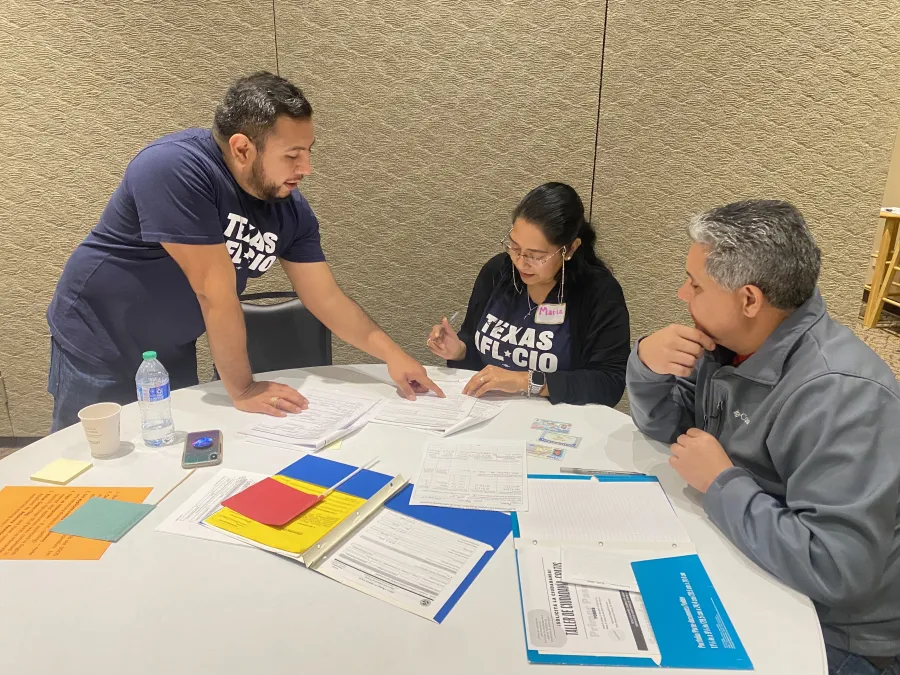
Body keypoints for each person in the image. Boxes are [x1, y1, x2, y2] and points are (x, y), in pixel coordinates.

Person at [47, 71, 442, 432]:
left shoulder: (291, 211)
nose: (306, 168)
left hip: (170, 349)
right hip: (98, 340)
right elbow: (213, 292)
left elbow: (326, 298)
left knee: (168, 448)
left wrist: (393, 356)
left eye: (308, 151)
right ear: (241, 148)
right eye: (292, 155)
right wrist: (243, 388)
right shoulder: (174, 168)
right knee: (91, 456)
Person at [626, 200, 900, 674]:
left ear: (749, 299)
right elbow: (671, 430)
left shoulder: (842, 394)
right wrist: (647, 366)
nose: (682, 293)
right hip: (754, 567)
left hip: (836, 633)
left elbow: (837, 569)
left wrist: (721, 483)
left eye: (695, 285)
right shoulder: (734, 346)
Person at [426, 182, 630, 405]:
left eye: (536, 256)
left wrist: (527, 381)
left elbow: (609, 382)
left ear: (569, 249)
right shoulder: (497, 272)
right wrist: (460, 352)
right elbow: (479, 361)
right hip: (490, 412)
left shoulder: (598, 291)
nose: (520, 262)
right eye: (515, 247)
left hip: (556, 420)